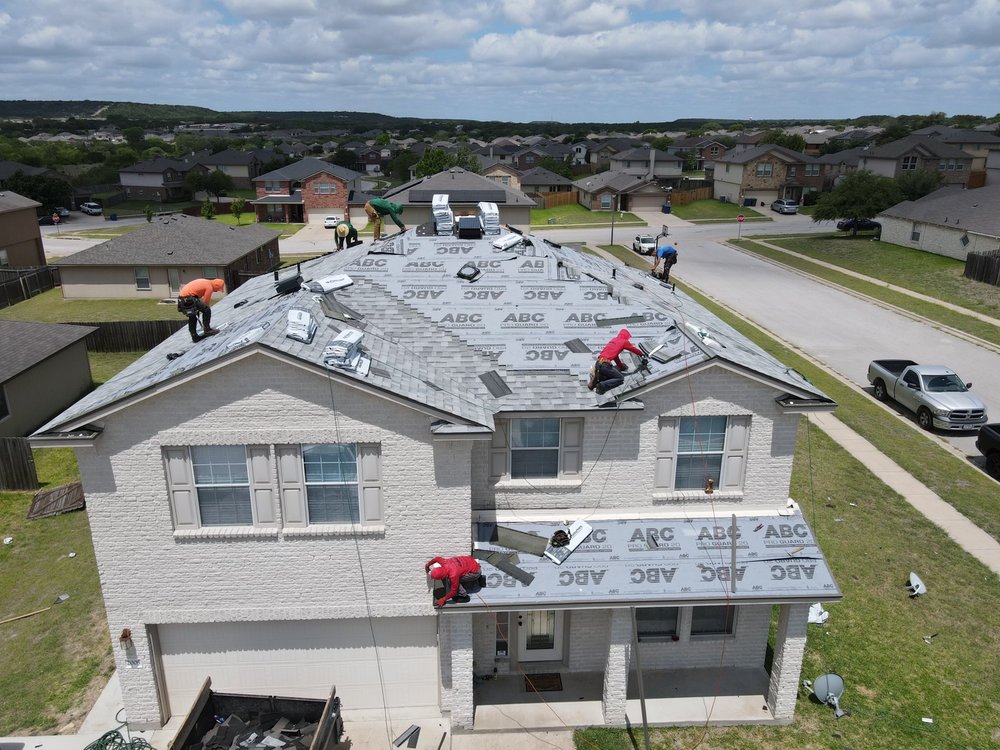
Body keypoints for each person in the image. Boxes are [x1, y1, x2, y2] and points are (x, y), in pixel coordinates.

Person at [177, 278, 224, 343]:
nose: (216, 291)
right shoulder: (209, 287)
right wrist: (203, 310)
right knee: (207, 310)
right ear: (216, 286)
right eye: (217, 289)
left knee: (193, 315)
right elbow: (206, 303)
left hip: (182, 299)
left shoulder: (206, 282)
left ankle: (194, 336)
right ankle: (207, 330)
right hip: (189, 297)